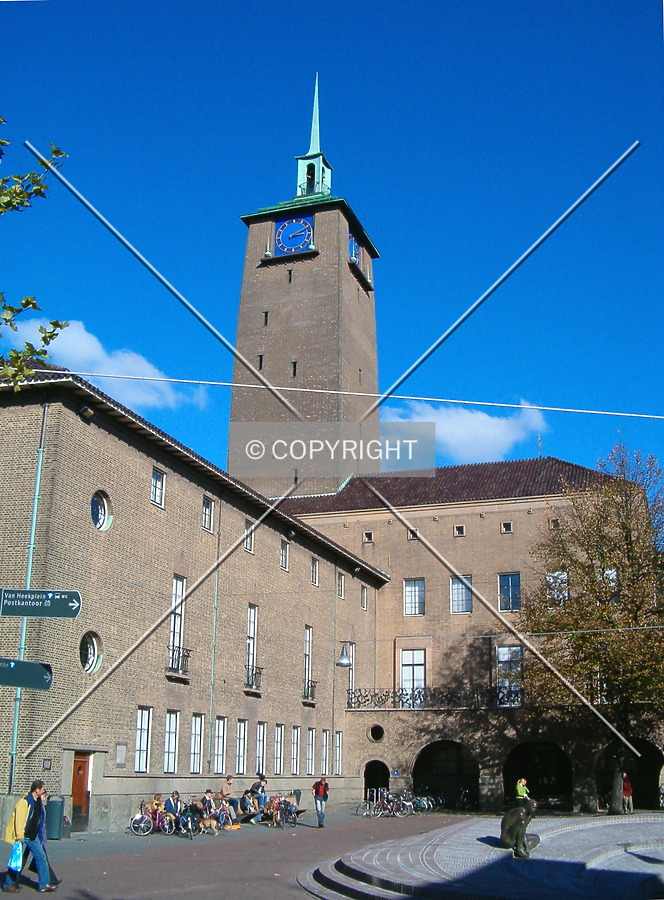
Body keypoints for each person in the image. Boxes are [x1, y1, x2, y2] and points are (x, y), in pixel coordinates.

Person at [3, 779, 57, 893]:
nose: (43, 791)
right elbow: (19, 819)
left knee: (41, 858)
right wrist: (19, 835)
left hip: (33, 836)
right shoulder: (25, 801)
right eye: (42, 789)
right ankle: (8, 884)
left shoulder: (37, 801)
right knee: (17, 860)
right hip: (23, 836)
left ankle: (44, 884)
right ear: (37, 790)